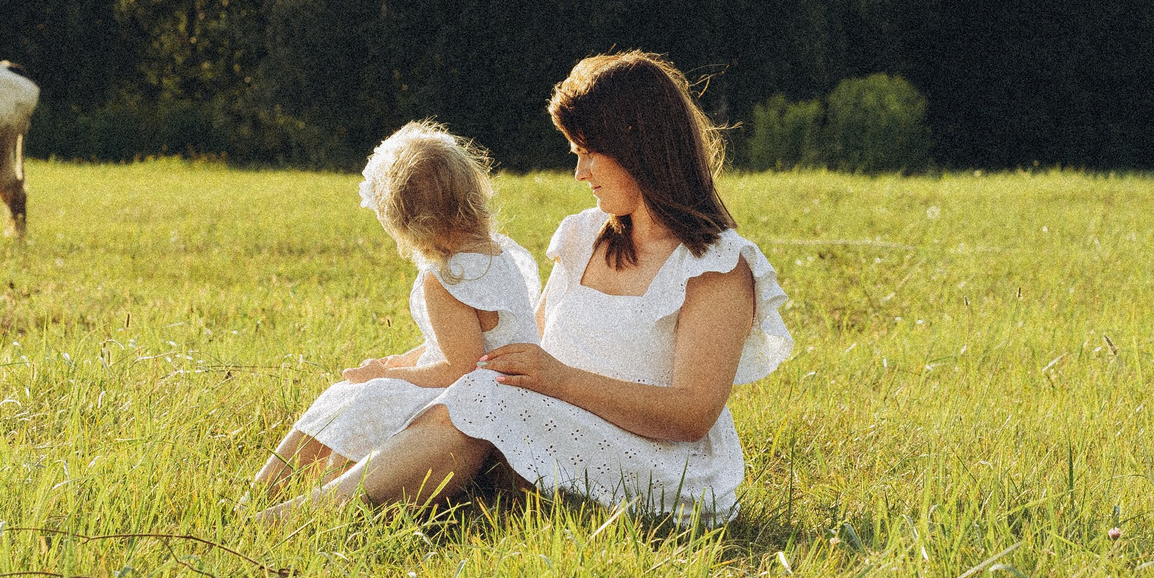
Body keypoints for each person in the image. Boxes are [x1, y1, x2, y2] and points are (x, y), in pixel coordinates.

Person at [261, 51, 791, 527]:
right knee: (442, 389)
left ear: (638, 147)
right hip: (559, 424)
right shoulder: (585, 236)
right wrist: (410, 369)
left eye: (588, 152)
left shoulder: (716, 267)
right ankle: (308, 495)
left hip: (662, 468)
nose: (580, 173)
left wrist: (560, 381)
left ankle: (297, 521)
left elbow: (691, 414)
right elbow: (530, 339)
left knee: (482, 399)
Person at [251, 122, 542, 492]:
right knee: (361, 395)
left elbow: (460, 368)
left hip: (471, 396)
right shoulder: (502, 255)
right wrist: (402, 360)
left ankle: (273, 489)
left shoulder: (447, 280)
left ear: (406, 222)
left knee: (362, 396)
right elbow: (469, 341)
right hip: (503, 390)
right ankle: (300, 486)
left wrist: (387, 377)